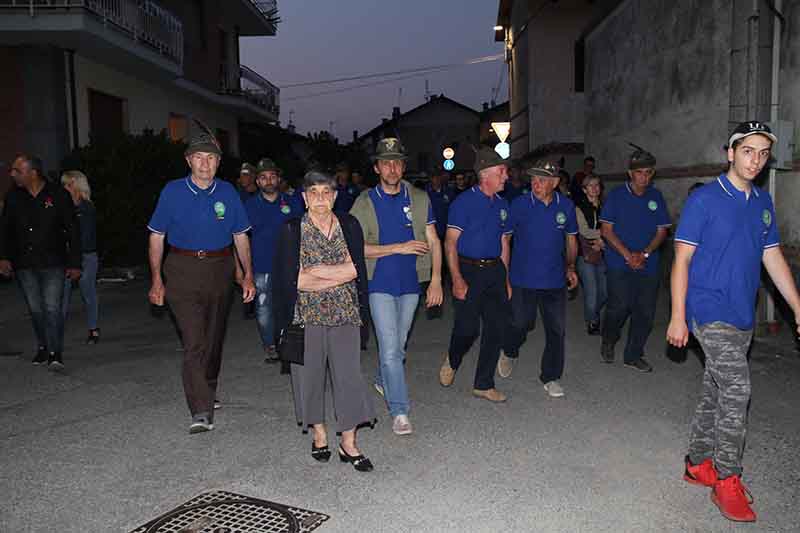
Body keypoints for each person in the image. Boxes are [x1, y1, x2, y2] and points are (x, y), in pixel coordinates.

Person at [667, 121, 800, 523]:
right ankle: (727, 479)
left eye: (762, 153)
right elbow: (682, 260)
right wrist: (677, 315)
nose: (755, 160)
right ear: (730, 152)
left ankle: (697, 462)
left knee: (716, 389)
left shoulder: (762, 202)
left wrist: (797, 305)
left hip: (742, 312)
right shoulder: (705, 200)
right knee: (738, 389)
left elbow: (772, 257)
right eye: (747, 151)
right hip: (708, 309)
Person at [147, 130, 256, 434]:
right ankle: (200, 409)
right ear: (188, 161)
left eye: (211, 158)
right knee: (194, 341)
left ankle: (207, 387)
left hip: (220, 267)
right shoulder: (172, 191)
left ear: (218, 163)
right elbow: (157, 236)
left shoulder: (228, 193)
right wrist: (156, 280)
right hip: (181, 269)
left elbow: (240, 236)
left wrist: (246, 274)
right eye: (199, 157)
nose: (205, 163)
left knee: (214, 338)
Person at [272, 171, 376, 472]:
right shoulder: (292, 230)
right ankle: (319, 433)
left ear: (334, 196)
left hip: (346, 314)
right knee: (309, 377)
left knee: (349, 378)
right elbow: (293, 280)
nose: (320, 198)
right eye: (313, 192)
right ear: (304, 198)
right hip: (306, 317)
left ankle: (349, 441)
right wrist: (335, 273)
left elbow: (355, 271)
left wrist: (317, 272)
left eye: (326, 192)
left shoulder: (350, 226)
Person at [351, 137, 443, 435]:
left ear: (403, 166)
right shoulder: (365, 202)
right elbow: (355, 247)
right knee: (390, 349)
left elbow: (433, 240)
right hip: (379, 282)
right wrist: (397, 247)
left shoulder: (419, 198)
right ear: (377, 168)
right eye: (386, 162)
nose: (392, 168)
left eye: (397, 162)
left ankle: (381, 378)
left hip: (411, 283)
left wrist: (437, 280)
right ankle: (400, 411)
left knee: (398, 346)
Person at [498, 161, 578, 397]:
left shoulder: (567, 206)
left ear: (555, 182)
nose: (536, 183)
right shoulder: (520, 204)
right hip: (523, 278)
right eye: (533, 178)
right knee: (521, 323)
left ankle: (551, 376)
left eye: (542, 179)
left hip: (554, 280)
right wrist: (504, 274)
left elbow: (571, 239)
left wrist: (571, 266)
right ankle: (510, 350)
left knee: (557, 330)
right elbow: (505, 239)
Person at [438, 147, 512, 402]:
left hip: (495, 270)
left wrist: (506, 278)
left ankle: (483, 383)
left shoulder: (503, 204)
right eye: (502, 172)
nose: (506, 176)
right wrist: (457, 278)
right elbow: (450, 243)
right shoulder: (463, 203)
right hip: (468, 270)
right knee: (468, 328)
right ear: (486, 174)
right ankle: (453, 357)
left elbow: (504, 242)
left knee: (496, 327)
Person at [0, 154, 81, 370]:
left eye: (17, 170)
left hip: (53, 261)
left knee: (52, 307)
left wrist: (75, 263)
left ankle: (55, 352)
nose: (12, 174)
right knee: (36, 309)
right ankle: (43, 346)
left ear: (33, 172)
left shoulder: (58, 195)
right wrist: (4, 257)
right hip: (24, 263)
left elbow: (73, 230)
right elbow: (5, 230)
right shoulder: (13, 197)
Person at [599, 147, 670, 372]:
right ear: (630, 173)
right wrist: (628, 255)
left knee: (645, 312)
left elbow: (662, 231)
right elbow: (607, 230)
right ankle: (609, 339)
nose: (644, 177)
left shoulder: (656, 197)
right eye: (640, 172)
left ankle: (633, 354)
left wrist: (645, 253)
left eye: (649, 172)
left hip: (648, 263)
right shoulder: (616, 196)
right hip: (619, 261)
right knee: (619, 307)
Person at [244, 158, 302, 364]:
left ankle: (289, 342)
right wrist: (244, 270)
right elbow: (241, 239)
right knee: (264, 308)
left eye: (272, 176)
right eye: (263, 177)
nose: (268, 181)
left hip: (290, 265)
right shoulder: (249, 206)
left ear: (278, 179)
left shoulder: (293, 202)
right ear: (257, 182)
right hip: (262, 266)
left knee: (292, 305)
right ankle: (270, 344)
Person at [61, 170, 100, 344]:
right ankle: (57, 331)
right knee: (61, 296)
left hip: (86, 256)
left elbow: (85, 237)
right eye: (63, 185)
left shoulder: (86, 207)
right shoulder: (64, 208)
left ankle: (93, 329)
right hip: (66, 257)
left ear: (77, 186)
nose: (65, 188)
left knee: (88, 293)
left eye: (68, 185)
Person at [575, 174, 607, 335]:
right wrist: (604, 236)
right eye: (590, 185)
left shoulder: (606, 206)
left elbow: (616, 227)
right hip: (585, 254)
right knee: (592, 292)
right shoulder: (579, 208)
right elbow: (584, 231)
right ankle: (593, 321)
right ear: (584, 189)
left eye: (597, 185)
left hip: (603, 254)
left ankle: (592, 312)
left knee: (605, 291)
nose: (595, 188)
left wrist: (603, 241)